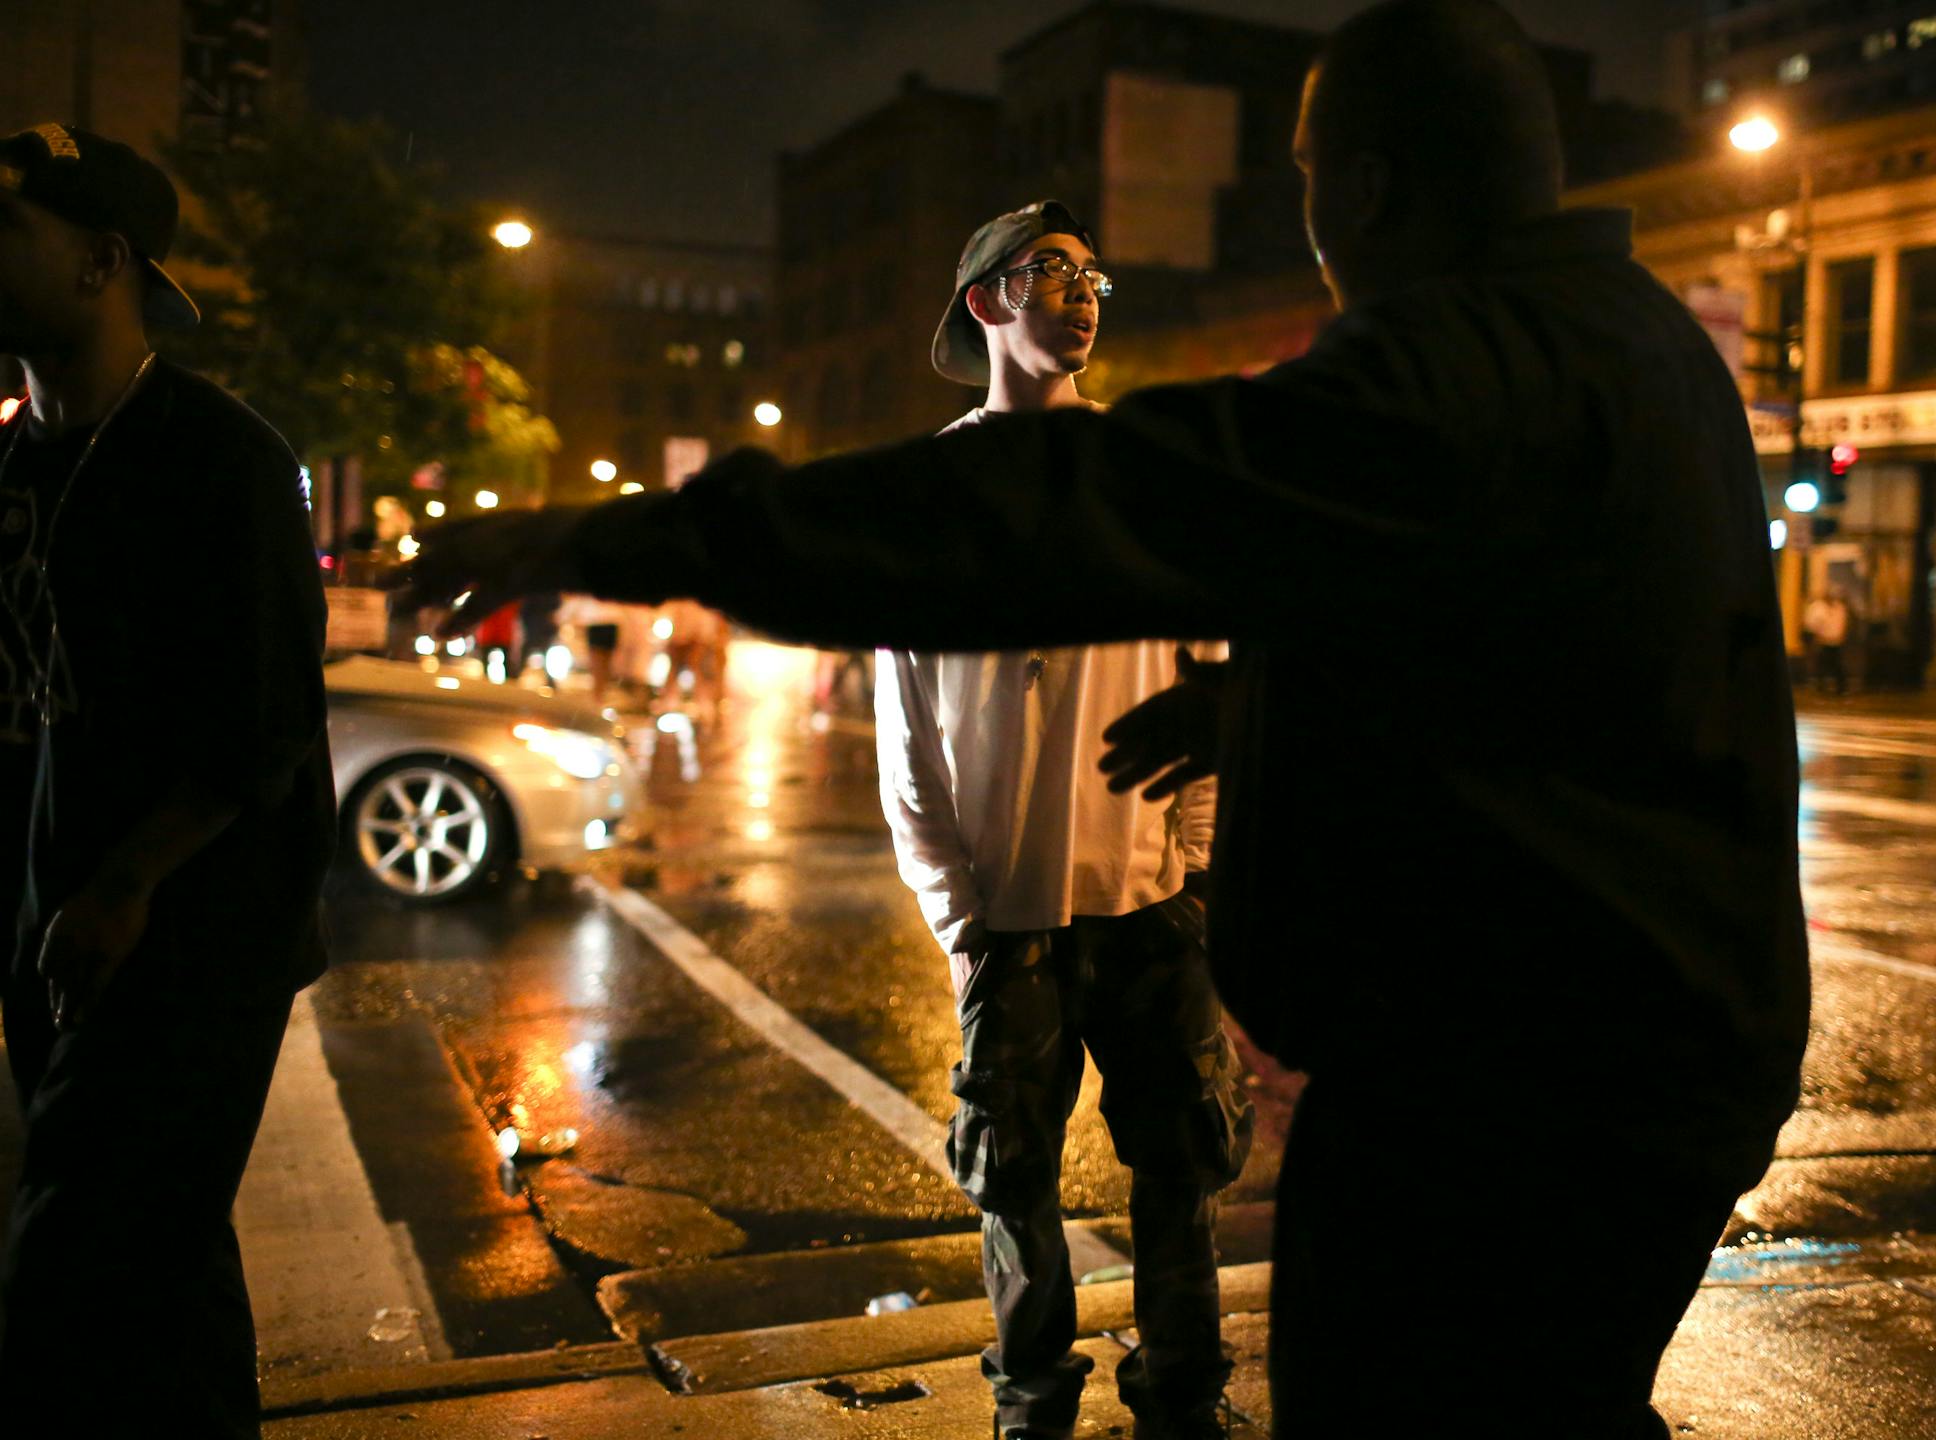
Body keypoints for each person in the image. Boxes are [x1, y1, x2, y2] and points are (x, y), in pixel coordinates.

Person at [401, 3, 1810, 1431]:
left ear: (1368, 187)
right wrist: (1256, 701)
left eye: (1309, 178)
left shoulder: (1469, 359)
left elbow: (1070, 505)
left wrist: (626, 539)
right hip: (1629, 1068)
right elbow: (1523, 659)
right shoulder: (1632, 341)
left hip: (1516, 1098)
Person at [876, 201, 1251, 1440]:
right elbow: (907, 725)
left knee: (1182, 1168)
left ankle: (1183, 1397)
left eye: (1094, 277)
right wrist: (958, 913)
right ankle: (1031, 1402)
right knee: (1014, 1183)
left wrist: (1192, 869)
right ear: (987, 300)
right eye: (1050, 272)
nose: (1082, 295)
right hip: (1008, 912)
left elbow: (1207, 672)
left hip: (1149, 901)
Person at [0, 124, 335, 1436]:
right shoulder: (16, 462)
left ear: (100, 262)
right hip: (58, 931)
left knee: (71, 1278)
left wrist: (123, 886)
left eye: (6, 228)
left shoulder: (218, 459)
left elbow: (260, 723)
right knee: (167, 1269)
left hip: (195, 940)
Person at [1803, 588, 1851, 694]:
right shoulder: (1826, 608)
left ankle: (1836, 685)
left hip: (1832, 640)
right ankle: (1825, 685)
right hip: (1826, 640)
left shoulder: (1838, 609)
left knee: (1831, 663)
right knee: (1826, 663)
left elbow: (1838, 625)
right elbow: (1815, 623)